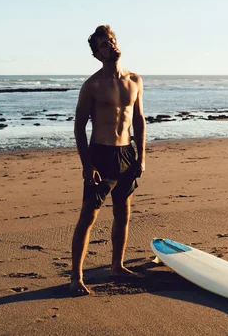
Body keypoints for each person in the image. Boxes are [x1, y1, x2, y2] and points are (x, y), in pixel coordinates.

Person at [70, 25, 146, 296]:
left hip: (127, 154)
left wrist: (141, 156)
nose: (111, 46)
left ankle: (117, 266)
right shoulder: (92, 85)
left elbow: (138, 119)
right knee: (88, 217)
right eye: (104, 45)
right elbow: (79, 127)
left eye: (112, 41)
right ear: (97, 54)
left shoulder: (135, 80)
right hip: (101, 155)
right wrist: (87, 164)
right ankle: (76, 277)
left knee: (123, 212)